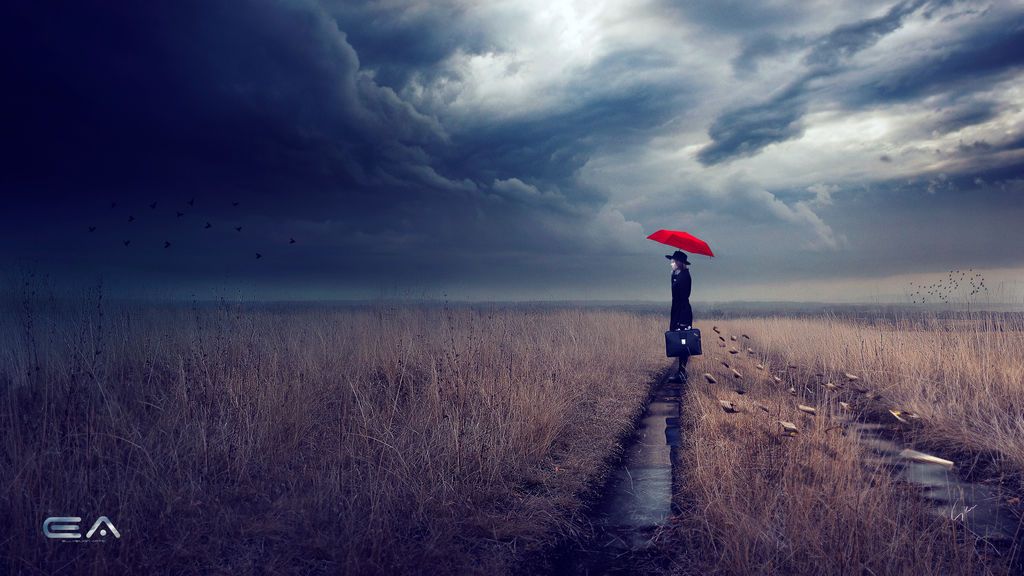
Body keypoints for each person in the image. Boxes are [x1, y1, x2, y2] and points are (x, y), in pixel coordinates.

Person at [666, 250, 692, 384]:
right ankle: (681, 372)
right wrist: (672, 277)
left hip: (682, 313)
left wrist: (681, 321)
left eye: (673, 261)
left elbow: (681, 298)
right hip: (680, 312)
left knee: (683, 343)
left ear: (679, 263)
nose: (671, 264)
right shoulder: (681, 275)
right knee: (681, 343)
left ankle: (681, 373)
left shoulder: (684, 276)